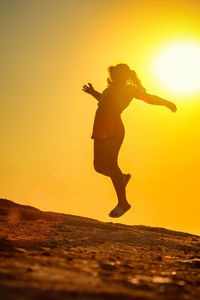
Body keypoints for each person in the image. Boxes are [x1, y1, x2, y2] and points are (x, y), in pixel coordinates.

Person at [82, 63, 177, 218]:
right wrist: (93, 92)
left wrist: (166, 103)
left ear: (127, 76)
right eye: (117, 73)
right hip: (100, 127)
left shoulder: (129, 89)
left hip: (113, 128)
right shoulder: (109, 90)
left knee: (112, 164)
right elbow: (103, 101)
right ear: (113, 75)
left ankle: (123, 203)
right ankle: (122, 178)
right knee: (98, 166)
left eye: (124, 73)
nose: (120, 76)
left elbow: (149, 98)